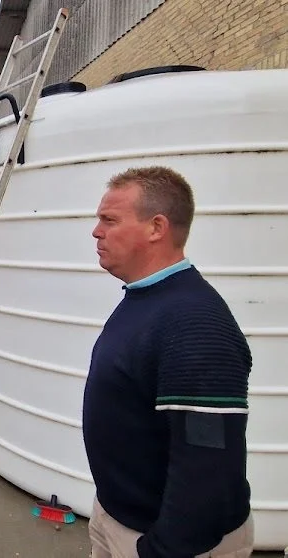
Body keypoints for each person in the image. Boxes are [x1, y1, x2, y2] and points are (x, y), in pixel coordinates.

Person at [82, 166, 254, 557]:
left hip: (167, 542)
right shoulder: (146, 299)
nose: (97, 231)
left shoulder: (194, 324)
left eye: (109, 220)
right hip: (117, 517)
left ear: (156, 227)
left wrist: (161, 550)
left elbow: (208, 468)